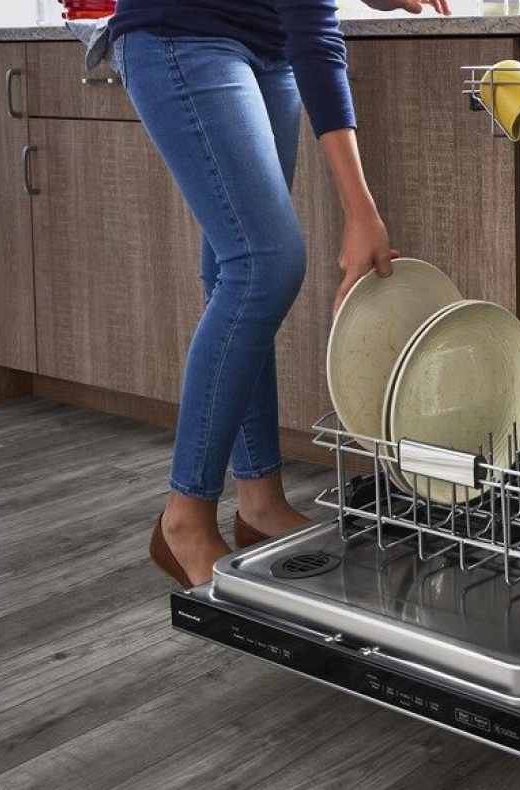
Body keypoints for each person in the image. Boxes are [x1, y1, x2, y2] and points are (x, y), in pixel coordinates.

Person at [108, 0, 448, 587]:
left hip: (266, 47)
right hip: (184, 33)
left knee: (237, 270)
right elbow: (315, 29)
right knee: (264, 264)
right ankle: (184, 519)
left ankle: (259, 502)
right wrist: (360, 211)